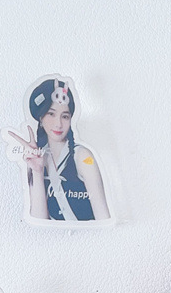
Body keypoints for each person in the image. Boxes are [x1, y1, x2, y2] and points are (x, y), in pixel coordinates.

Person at [9, 77, 109, 222]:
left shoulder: (83, 157)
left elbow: (103, 218)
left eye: (65, 116)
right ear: (41, 118)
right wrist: (37, 171)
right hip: (52, 236)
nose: (58, 123)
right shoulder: (36, 158)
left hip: (86, 235)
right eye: (51, 114)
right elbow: (39, 221)